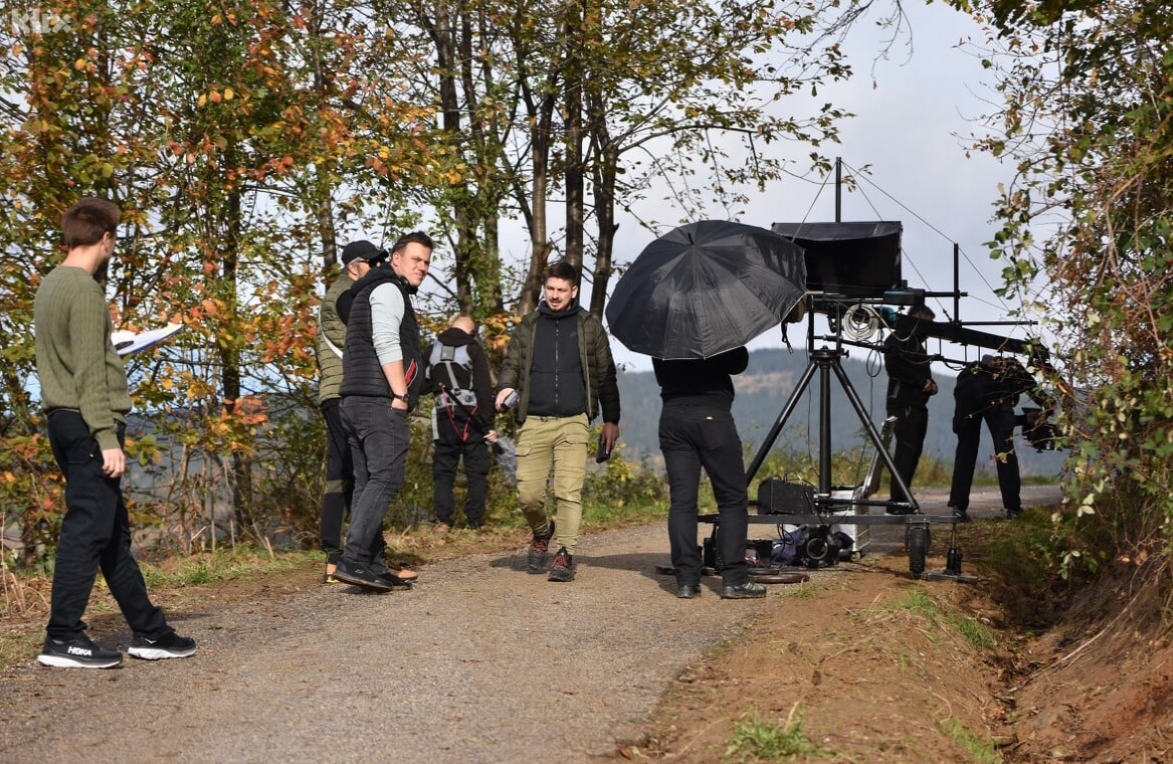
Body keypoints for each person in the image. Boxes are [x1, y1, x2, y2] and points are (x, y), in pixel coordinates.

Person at [33, 197, 197, 668]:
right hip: (89, 423)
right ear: (106, 239)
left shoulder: (51, 284)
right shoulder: (84, 290)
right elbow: (87, 371)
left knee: (109, 533)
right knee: (87, 529)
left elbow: (72, 358)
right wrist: (106, 437)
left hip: (64, 420)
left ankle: (150, 631)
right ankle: (63, 636)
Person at [495, 261, 621, 582]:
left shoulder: (589, 327)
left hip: (573, 421)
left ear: (573, 291)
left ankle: (565, 553)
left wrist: (611, 420)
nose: (554, 295)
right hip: (533, 420)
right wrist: (505, 387)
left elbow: (606, 376)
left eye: (561, 290)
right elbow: (511, 364)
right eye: (550, 288)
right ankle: (542, 531)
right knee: (528, 495)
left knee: (568, 491)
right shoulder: (528, 326)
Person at [332, 232, 433, 591]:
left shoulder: (368, 290)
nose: (422, 267)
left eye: (427, 262)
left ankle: (369, 564)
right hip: (378, 400)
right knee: (386, 478)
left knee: (367, 482)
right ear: (396, 259)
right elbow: (386, 341)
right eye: (416, 259)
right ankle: (354, 558)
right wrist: (400, 393)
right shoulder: (389, 289)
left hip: (355, 399)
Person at [654, 347, 765, 599]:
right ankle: (734, 578)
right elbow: (738, 363)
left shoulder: (662, 333)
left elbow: (662, 374)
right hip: (711, 415)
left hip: (672, 417)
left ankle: (686, 580)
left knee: (682, 502)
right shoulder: (714, 331)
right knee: (732, 500)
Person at [314, 240, 387, 583]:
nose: (377, 267)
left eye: (379, 262)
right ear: (353, 266)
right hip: (345, 391)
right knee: (364, 473)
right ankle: (362, 556)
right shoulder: (347, 295)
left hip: (335, 392)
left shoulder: (342, 292)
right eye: (372, 262)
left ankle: (337, 554)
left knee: (342, 470)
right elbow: (367, 337)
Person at [948, 355, 1050, 521]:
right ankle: (1013, 509)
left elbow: (1000, 418)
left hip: (964, 387)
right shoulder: (1013, 369)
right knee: (1005, 449)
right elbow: (1035, 392)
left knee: (966, 449)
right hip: (992, 389)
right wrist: (1050, 406)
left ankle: (958, 509)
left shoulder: (973, 372)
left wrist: (1025, 419)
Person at [421, 315, 497, 531]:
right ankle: (474, 521)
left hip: (444, 418)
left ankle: (444, 520)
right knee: (476, 470)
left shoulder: (431, 350)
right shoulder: (473, 349)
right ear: (471, 331)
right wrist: (489, 425)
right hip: (472, 418)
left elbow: (422, 385)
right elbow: (483, 389)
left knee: (443, 471)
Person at [882, 305, 938, 513]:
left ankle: (902, 496)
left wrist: (931, 385)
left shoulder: (916, 344)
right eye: (927, 325)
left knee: (912, 452)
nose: (929, 331)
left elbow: (921, 373)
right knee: (906, 451)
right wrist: (920, 381)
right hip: (903, 405)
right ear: (916, 320)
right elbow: (894, 367)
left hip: (917, 404)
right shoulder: (898, 339)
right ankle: (897, 500)